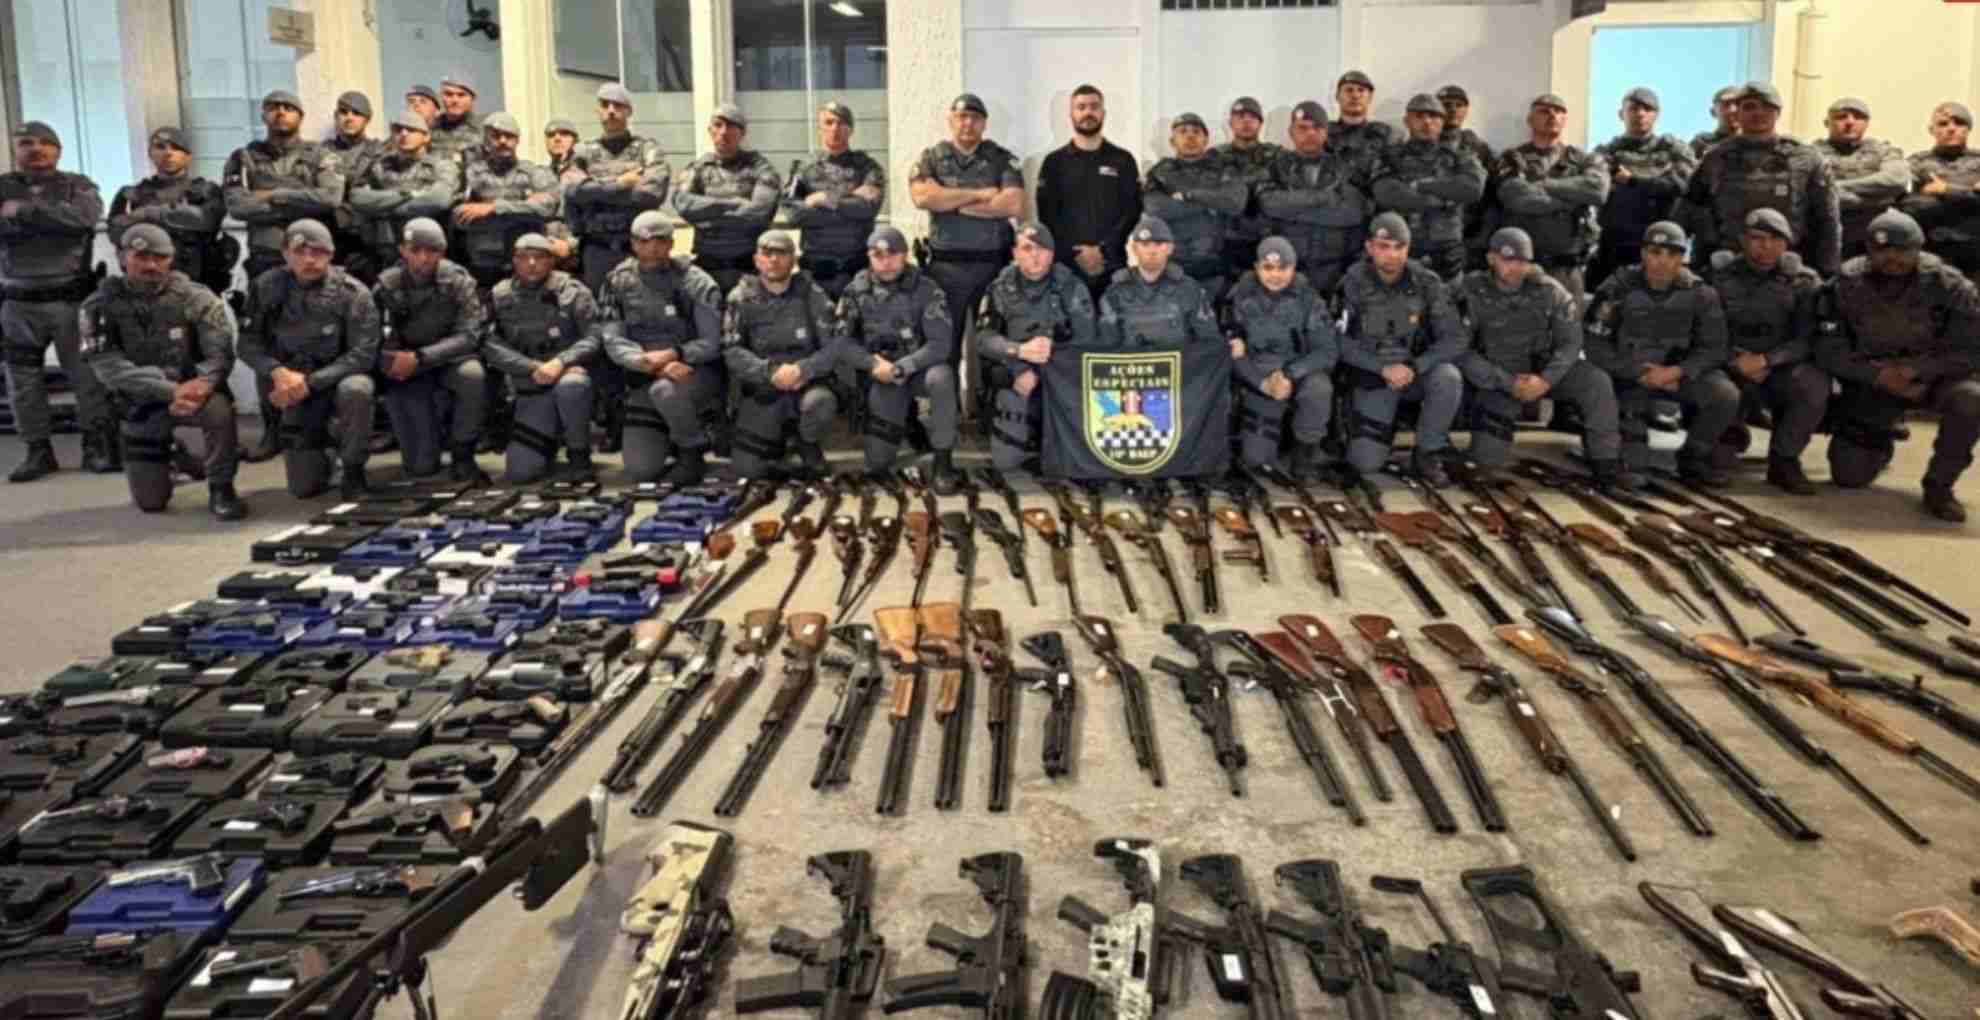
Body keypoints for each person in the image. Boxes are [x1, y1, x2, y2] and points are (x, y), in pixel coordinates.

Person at [1817, 209, 1980, 521]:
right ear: (1868, 250)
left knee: (1972, 400)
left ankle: (1940, 485)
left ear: (1919, 248)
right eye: (1882, 250)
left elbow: (1971, 351)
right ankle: (1881, 440)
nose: (1892, 258)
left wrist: (1919, 371)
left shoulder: (1951, 286)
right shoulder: (1845, 284)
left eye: (1902, 250)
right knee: (1849, 477)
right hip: (1873, 380)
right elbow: (1827, 348)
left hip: (1933, 379)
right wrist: (1878, 375)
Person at [81, 224, 245, 518]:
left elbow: (219, 353)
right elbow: (106, 365)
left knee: (219, 411)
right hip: (140, 400)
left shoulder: (196, 297)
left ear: (171, 259)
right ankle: (174, 453)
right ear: (122, 257)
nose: (151, 265)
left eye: (160, 257)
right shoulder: (99, 304)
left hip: (194, 393)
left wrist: (202, 384)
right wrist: (170, 390)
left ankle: (221, 486)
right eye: (141, 257)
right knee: (151, 503)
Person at [223, 89, 345, 462]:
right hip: (266, 264)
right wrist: (298, 199)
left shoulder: (321, 155)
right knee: (266, 344)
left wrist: (270, 195)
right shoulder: (243, 157)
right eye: (273, 108)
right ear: (263, 114)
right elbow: (237, 206)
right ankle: (273, 429)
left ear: (300, 115)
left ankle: (322, 428)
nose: (280, 113)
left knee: (322, 342)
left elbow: (330, 199)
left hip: (313, 265)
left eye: (288, 108)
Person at [1454, 227, 1624, 485]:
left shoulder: (1550, 290)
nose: (1516, 268)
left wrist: (1545, 380)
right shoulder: (1470, 290)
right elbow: (1460, 349)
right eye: (1508, 260)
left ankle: (1606, 462)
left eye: (1523, 261)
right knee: (1484, 464)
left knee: (1596, 381)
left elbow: (1571, 343)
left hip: (1544, 371)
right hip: (1497, 379)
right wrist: (1507, 382)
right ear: (1491, 258)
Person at [1583, 221, 1738, 487]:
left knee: (1725, 394)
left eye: (1672, 254)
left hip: (1677, 376)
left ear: (1683, 257)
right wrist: (1637, 372)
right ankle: (1619, 448)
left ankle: (1694, 456)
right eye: (1655, 252)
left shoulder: (1702, 294)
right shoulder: (1617, 288)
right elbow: (1595, 344)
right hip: (1628, 378)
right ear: (1643, 253)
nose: (1662, 261)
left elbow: (1714, 348)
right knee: (1632, 472)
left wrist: (1678, 372)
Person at [236, 219, 379, 499]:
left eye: (318, 252)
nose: (309, 260)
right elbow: (247, 343)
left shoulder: (353, 294)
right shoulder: (266, 286)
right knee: (304, 489)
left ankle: (353, 469)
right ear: (285, 253)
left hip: (334, 379)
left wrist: (310, 382)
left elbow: (363, 355)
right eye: (300, 252)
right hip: (290, 384)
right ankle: (318, 449)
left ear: (331, 254)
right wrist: (277, 371)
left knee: (357, 389)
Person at [2, 121, 111, 482]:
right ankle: (37, 450)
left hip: (69, 299)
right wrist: (53, 220)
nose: (36, 148)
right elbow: (65, 222)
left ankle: (96, 446)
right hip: (17, 303)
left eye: (44, 142)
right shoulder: (3, 186)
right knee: (23, 381)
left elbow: (83, 218)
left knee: (86, 376)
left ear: (58, 150)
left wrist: (23, 214)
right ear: (15, 149)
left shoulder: (78, 185)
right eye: (26, 143)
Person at [1337, 213, 1465, 485]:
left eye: (1400, 247)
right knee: (1366, 464)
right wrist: (1381, 368)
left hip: (1414, 373)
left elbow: (1454, 338)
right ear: (1370, 247)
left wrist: (1416, 366)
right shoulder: (1352, 282)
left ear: (1408, 248)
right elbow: (1337, 340)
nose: (1392, 255)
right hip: (1373, 377)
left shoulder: (1427, 282)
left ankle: (1428, 452)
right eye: (1384, 247)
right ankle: (1383, 428)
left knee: (1448, 376)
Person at [600, 210, 724, 485]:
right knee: (640, 470)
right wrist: (645, 362)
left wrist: (675, 354)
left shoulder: (696, 281)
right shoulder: (617, 281)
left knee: (665, 391)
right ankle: (669, 436)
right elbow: (613, 340)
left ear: (672, 243)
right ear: (633, 243)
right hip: (644, 374)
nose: (653, 248)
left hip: (691, 374)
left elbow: (712, 342)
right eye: (645, 241)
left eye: (661, 240)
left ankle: (692, 450)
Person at [1709, 209, 1827, 494]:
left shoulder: (1804, 282)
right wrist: (1735, 360)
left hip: (1779, 368)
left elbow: (1810, 339)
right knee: (1706, 381)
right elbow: (1705, 331)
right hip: (1729, 366)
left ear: (1787, 243)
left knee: (1813, 382)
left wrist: (1766, 361)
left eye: (1776, 240)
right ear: (1743, 240)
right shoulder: (1719, 277)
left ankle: (1784, 459)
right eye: (1758, 238)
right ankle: (1724, 437)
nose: (1766, 247)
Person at [838, 226, 962, 491]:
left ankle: (943, 460)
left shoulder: (927, 289)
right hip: (881, 374)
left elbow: (940, 344)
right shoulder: (855, 291)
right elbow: (841, 342)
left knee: (942, 377)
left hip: (917, 370)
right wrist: (872, 364)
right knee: (878, 463)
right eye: (878, 256)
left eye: (893, 255)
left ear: (905, 255)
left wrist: (903, 367)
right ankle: (904, 425)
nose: (886, 262)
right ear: (869, 257)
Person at [909, 93, 1026, 373]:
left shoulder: (1001, 159)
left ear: (984, 123)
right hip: (946, 271)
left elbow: (1013, 204)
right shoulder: (932, 158)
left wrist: (951, 202)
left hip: (993, 270)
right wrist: (981, 195)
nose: (968, 123)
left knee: (994, 350)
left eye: (975, 118)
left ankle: (989, 403)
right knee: (944, 349)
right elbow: (923, 197)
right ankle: (947, 403)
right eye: (962, 117)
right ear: (951, 120)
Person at [1680, 81, 1841, 276]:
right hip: (1728, 270)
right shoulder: (1715, 158)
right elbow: (1688, 211)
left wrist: (1828, 271)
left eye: (1767, 107)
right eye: (1749, 107)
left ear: (1778, 113)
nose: (1758, 113)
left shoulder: (1806, 158)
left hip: (1790, 270)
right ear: (1737, 113)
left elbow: (1827, 219)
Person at [371, 217, 489, 483]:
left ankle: (463, 452)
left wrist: (422, 357)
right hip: (407, 369)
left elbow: (469, 335)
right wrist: (392, 359)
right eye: (415, 250)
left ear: (442, 251)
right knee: (421, 467)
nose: (423, 258)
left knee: (472, 375)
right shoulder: (386, 286)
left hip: (449, 360)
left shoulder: (458, 281)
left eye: (432, 251)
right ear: (403, 250)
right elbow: (372, 339)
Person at [977, 222, 1097, 472]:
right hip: (1019, 375)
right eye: (1027, 248)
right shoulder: (1001, 287)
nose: (1035, 255)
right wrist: (1018, 358)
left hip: (1062, 376)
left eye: (1042, 249)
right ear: (1015, 253)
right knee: (1006, 462)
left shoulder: (1071, 286)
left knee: (1073, 461)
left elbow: (1087, 339)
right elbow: (984, 339)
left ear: (1052, 254)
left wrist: (1048, 363)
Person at [722, 231, 840, 481]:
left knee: (820, 402)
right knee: (748, 471)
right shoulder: (740, 297)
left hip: (805, 384)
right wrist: (770, 372)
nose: (774, 260)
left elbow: (833, 347)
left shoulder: (812, 294)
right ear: (756, 259)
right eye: (767, 253)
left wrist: (803, 369)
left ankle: (807, 441)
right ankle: (777, 438)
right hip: (763, 387)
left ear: (794, 259)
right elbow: (732, 351)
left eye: (782, 253)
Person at [483, 233, 599, 483]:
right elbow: (489, 344)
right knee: (520, 473)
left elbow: (594, 337)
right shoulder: (500, 295)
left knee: (572, 386)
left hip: (569, 379)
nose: (532, 263)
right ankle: (547, 440)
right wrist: (532, 366)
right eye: (524, 257)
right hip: (530, 386)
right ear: (514, 261)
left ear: (552, 261)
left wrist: (561, 362)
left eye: (539, 257)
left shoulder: (573, 292)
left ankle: (579, 453)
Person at [1224, 237, 1338, 475]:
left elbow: (1327, 351)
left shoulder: (1309, 299)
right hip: (1258, 374)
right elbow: (1235, 354)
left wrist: (1288, 374)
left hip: (1299, 371)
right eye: (1268, 268)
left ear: (1293, 268)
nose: (1275, 275)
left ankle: (1305, 452)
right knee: (1256, 459)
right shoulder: (1239, 297)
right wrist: (1263, 384)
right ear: (1257, 268)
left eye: (1283, 268)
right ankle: (1274, 439)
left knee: (1319, 388)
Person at [1492, 93, 1609, 308]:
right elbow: (1518, 199)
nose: (1552, 116)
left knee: (1569, 326)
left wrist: (1544, 184)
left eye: (1559, 112)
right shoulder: (1512, 158)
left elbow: (1598, 191)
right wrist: (1571, 199)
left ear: (1565, 120)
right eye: (1544, 111)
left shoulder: (1584, 159)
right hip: (1521, 268)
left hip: (1567, 270)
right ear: (1530, 119)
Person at [1037, 84, 1142, 301]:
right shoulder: (1054, 162)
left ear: (1103, 113)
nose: (1088, 112)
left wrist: (1103, 250)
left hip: (1112, 265)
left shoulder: (1123, 160)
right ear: (1071, 114)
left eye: (1094, 107)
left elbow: (1132, 210)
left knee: (1114, 322)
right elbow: (1047, 215)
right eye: (1081, 107)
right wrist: (1076, 253)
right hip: (1067, 266)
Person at [1255, 100, 1371, 295]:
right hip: (1285, 271)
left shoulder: (1344, 166)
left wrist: (1292, 212)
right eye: (1303, 128)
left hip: (1336, 270)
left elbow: (1353, 213)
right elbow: (1270, 205)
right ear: (1291, 132)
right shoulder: (1276, 166)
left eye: (1317, 128)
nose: (1310, 133)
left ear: (1326, 133)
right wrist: (1326, 198)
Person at [1371, 94, 1486, 280]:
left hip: (1448, 252)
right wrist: (1441, 201)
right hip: (1402, 249)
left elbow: (1473, 188)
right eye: (1419, 116)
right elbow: (1385, 193)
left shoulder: (1459, 156)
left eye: (1433, 116)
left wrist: (1423, 185)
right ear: (1407, 121)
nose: (1426, 122)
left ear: (1442, 122)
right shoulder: (1391, 156)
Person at [1591, 87, 1696, 291]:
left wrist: (1633, 182)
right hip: (1617, 245)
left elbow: (1680, 185)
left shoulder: (1674, 150)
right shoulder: (1606, 152)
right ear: (1621, 114)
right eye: (1633, 108)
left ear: (1657, 114)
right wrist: (1655, 184)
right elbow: (1595, 188)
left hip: (1663, 245)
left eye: (1647, 109)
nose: (1640, 114)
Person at [672, 104, 780, 297]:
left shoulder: (760, 168)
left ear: (742, 132)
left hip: (748, 268)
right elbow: (682, 204)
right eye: (718, 125)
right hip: (707, 268)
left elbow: (759, 212)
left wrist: (706, 214)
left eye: (731, 126)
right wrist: (733, 203)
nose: (723, 132)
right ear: (710, 130)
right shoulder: (699, 168)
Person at [108, 127, 231, 298]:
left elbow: (206, 220)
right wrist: (178, 216)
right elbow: (116, 232)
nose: (168, 153)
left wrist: (148, 214)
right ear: (150, 154)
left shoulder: (206, 190)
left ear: (188, 156)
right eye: (160, 147)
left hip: (197, 285)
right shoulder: (131, 194)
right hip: (146, 284)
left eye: (176, 148)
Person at [784, 101, 886, 302]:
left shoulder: (868, 167)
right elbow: (792, 214)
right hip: (815, 273)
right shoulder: (803, 168)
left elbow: (868, 208)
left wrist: (825, 199)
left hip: (856, 272)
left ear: (851, 129)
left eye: (842, 123)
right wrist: (850, 202)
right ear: (819, 128)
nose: (835, 128)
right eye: (829, 122)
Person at [1142, 112, 1247, 298]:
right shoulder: (1160, 172)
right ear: (1172, 141)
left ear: (1206, 139)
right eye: (1183, 131)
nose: (1190, 136)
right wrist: (1210, 204)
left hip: (1217, 270)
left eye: (1196, 132)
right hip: (1174, 270)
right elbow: (1154, 208)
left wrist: (1188, 196)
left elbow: (1235, 202)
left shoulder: (1224, 168)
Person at [452, 113, 559, 291]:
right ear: (486, 141)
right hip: (483, 264)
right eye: (496, 136)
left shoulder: (534, 172)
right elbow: (459, 216)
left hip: (528, 262)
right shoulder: (470, 174)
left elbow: (547, 208)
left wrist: (493, 208)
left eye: (509, 136)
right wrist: (523, 211)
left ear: (517, 140)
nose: (503, 141)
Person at [348, 112, 459, 277]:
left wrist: (383, 207)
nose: (404, 134)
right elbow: (357, 197)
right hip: (383, 252)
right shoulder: (380, 166)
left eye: (411, 130)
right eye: (398, 130)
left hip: (426, 253)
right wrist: (408, 195)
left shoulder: (442, 165)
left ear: (426, 136)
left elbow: (439, 200)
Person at [1097, 216, 1221, 349]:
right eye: (1145, 245)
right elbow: (1105, 348)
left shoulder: (1190, 290)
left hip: (1180, 362)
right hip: (1132, 362)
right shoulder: (1115, 293)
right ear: (1134, 248)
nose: (1152, 251)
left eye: (1159, 244)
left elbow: (1210, 343)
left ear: (1170, 248)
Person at [1813, 98, 1909, 260]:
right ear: (1827, 122)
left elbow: (1896, 180)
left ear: (1867, 123)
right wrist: (1877, 198)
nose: (1850, 122)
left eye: (1858, 117)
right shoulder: (1812, 153)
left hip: (1874, 236)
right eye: (1841, 117)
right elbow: (1815, 194)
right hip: (1825, 235)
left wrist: (1837, 187)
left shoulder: (1882, 150)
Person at [1900, 101, 1980, 277]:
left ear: (1968, 129)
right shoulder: (1917, 162)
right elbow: (1909, 205)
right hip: (1932, 249)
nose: (1951, 129)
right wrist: (1971, 195)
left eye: (1959, 123)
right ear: (1932, 130)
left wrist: (1946, 190)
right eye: (1943, 124)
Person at [1215, 96, 1284, 283]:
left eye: (1252, 117)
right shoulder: (1215, 157)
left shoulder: (1277, 155)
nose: (1246, 122)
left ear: (1261, 123)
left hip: (1267, 239)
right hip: (1227, 241)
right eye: (1240, 117)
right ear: (1230, 123)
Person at [327, 90, 385, 279]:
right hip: (331, 237)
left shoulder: (380, 151)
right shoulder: (321, 151)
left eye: (356, 113)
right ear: (336, 116)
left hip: (367, 239)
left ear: (367, 119)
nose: (349, 118)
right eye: (344, 112)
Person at [1328, 70, 1394, 175]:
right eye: (1349, 90)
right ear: (1337, 96)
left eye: (1361, 90)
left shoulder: (1386, 135)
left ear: (1370, 97)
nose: (1355, 95)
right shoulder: (1324, 134)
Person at [429, 75, 484, 165]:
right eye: (449, 94)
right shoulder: (430, 128)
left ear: (472, 99)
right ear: (441, 97)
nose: (455, 100)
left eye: (461, 95)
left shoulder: (484, 130)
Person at [1691, 85, 1742, 158]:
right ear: (1713, 112)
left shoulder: (1755, 143)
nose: (1733, 110)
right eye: (1726, 105)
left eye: (1738, 104)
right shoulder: (1702, 143)